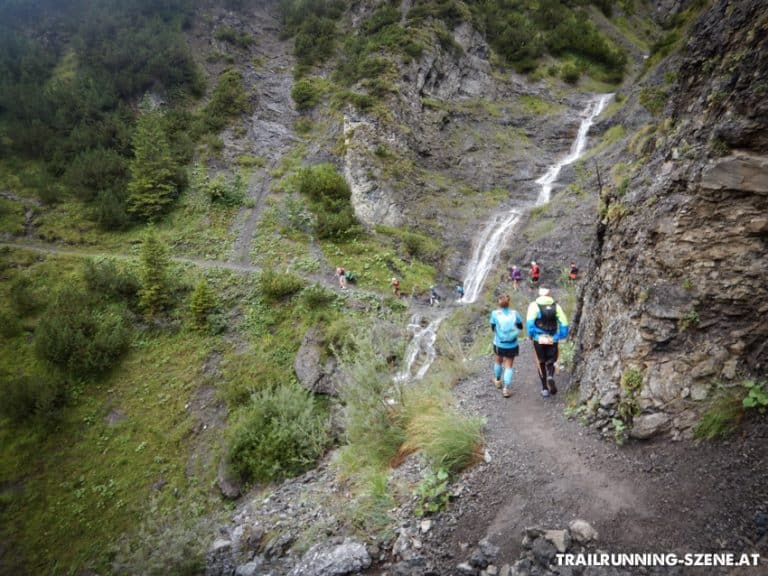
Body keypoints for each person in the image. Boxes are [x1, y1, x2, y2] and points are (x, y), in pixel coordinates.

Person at [526, 287, 569, 398]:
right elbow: (564, 322)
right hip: (552, 337)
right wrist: (562, 335)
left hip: (538, 338)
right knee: (551, 361)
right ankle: (550, 375)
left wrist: (530, 335)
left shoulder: (534, 306)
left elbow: (530, 323)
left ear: (539, 294)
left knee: (540, 362)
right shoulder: (556, 306)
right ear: (549, 294)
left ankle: (545, 388)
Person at [490, 293, 524, 398]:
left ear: (499, 303)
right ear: (509, 302)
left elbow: (493, 328)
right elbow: (520, 326)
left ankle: (498, 380)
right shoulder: (515, 313)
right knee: (508, 366)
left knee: (498, 361)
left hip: (499, 344)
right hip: (512, 344)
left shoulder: (495, 314)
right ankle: (506, 389)